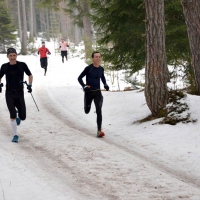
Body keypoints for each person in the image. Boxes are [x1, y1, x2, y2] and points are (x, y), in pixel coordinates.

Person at [0, 48, 33, 143]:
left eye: (14, 55)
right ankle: (15, 135)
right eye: (10, 56)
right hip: (9, 93)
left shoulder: (22, 65)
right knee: (12, 115)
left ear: (16, 56)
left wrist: (30, 85)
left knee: (23, 117)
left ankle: (19, 115)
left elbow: (30, 75)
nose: (12, 57)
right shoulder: (4, 67)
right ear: (7, 56)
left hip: (20, 93)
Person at [78, 51, 109, 138]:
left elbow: (102, 77)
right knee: (87, 111)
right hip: (89, 93)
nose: (98, 58)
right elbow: (79, 78)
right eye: (96, 57)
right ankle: (86, 105)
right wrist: (84, 86)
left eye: (99, 57)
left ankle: (99, 131)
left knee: (99, 110)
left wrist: (105, 84)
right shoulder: (88, 68)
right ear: (92, 58)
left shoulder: (101, 69)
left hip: (98, 92)